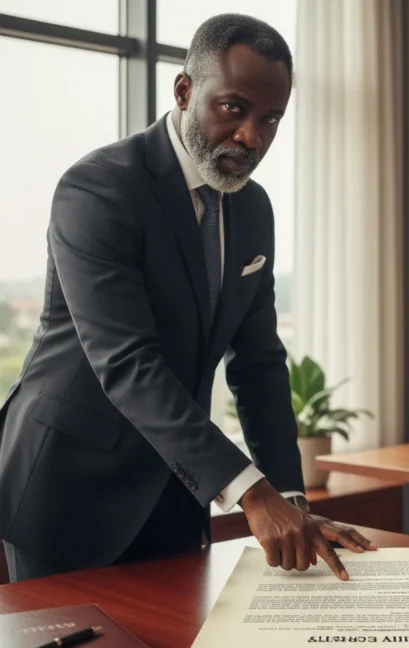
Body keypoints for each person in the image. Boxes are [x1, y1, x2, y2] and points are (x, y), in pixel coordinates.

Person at [0, 13, 375, 583]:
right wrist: (252, 492)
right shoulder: (98, 189)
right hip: (68, 495)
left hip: (176, 495)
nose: (252, 136)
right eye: (234, 108)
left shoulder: (253, 209)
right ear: (184, 91)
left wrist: (290, 498)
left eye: (271, 119)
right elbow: (127, 364)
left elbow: (259, 363)